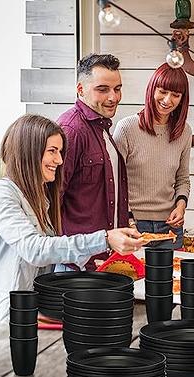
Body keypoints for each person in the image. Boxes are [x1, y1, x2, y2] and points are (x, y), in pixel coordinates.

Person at [0, 115, 145, 324]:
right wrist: (104, 239)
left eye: (60, 152)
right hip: (7, 320)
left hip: (35, 314)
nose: (60, 160)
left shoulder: (40, 198)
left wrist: (100, 262)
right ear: (28, 152)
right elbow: (34, 249)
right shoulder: (1, 193)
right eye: (52, 151)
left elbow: (52, 254)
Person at [57, 53, 128, 271]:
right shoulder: (71, 130)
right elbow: (51, 199)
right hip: (76, 266)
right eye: (102, 89)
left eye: (117, 89)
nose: (113, 97)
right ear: (80, 89)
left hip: (104, 261)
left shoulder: (102, 128)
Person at [114, 63, 191, 249]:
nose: (167, 100)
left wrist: (181, 206)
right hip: (133, 224)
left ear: (182, 99)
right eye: (162, 91)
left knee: (173, 278)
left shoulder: (184, 132)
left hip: (170, 227)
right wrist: (128, 219)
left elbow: (182, 179)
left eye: (175, 95)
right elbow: (115, 181)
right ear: (151, 90)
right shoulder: (127, 128)